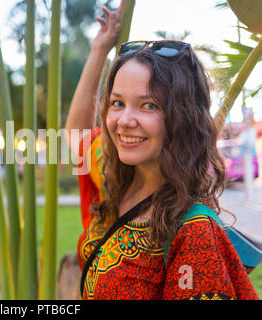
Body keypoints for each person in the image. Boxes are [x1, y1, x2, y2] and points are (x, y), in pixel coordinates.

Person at [66, 2, 259, 300]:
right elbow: (76, 138)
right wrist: (98, 51)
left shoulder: (195, 232)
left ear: (181, 118)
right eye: (117, 103)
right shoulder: (117, 177)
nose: (125, 120)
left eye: (149, 105)